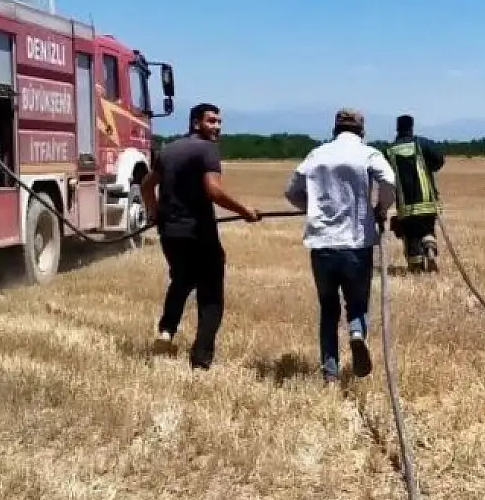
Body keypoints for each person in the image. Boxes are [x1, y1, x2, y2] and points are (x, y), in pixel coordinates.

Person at [140, 102, 261, 370]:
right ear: (196, 123)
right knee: (211, 294)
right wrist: (244, 211)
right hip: (198, 232)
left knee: (182, 279)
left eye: (219, 122)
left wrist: (153, 212)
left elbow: (147, 185)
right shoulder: (207, 149)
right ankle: (201, 359)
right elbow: (213, 191)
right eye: (211, 121)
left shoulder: (169, 149)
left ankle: (166, 330)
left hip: (170, 232)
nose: (217, 127)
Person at [283, 108, 397, 384]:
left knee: (328, 308)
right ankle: (357, 333)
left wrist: (311, 208)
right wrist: (381, 208)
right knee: (357, 303)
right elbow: (389, 181)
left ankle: (330, 372)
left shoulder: (317, 154)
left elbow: (291, 191)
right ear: (361, 130)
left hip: (322, 243)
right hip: (357, 243)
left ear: (335, 129)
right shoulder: (368, 154)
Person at [384, 114, 445, 273]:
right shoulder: (422, 144)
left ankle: (416, 266)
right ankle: (429, 247)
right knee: (427, 229)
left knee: (411, 237)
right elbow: (439, 160)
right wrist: (428, 168)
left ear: (397, 128)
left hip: (405, 205)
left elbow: (385, 174)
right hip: (427, 201)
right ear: (412, 127)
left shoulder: (390, 150)